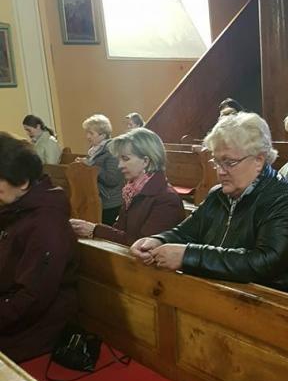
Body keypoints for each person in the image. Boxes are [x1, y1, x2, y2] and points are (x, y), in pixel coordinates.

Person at [130, 112, 288, 300]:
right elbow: (187, 232)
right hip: (231, 297)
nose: (221, 171)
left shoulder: (284, 202)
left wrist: (188, 256)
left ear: (259, 160)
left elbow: (263, 263)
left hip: (283, 305)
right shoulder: (218, 195)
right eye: (217, 161)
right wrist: (157, 240)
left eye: (229, 162)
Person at [0, 133, 77, 362]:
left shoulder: (46, 223)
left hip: (33, 329)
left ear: (22, 182)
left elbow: (31, 299)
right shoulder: (15, 208)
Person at [70, 128, 184, 245]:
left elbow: (143, 245)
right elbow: (119, 231)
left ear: (146, 161)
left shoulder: (166, 199)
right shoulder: (132, 190)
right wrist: (91, 228)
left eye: (125, 159)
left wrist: (94, 230)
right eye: (119, 159)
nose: (119, 165)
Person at [77, 114, 124, 225]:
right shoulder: (95, 150)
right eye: (87, 133)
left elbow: (112, 179)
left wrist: (91, 165)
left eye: (91, 133)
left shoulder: (112, 151)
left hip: (109, 202)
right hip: (95, 199)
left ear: (103, 135)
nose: (87, 136)